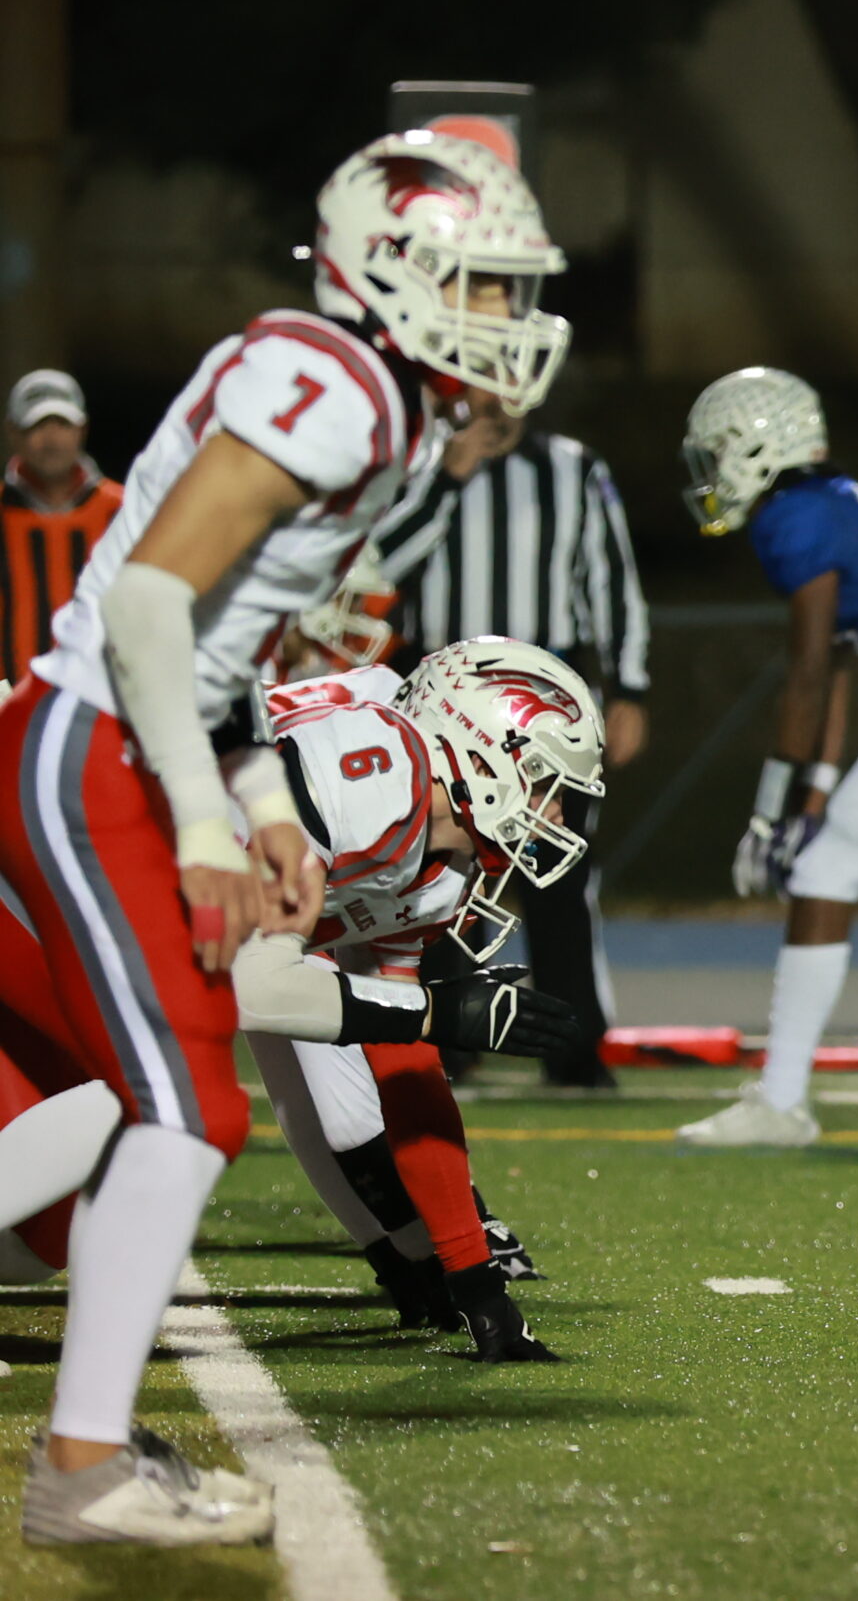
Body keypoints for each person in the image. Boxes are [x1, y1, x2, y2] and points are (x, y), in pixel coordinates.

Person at [0, 128, 566, 1546]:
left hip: (129, 738)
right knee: (183, 1106)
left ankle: (86, 1450)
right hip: (91, 741)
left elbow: (218, 650)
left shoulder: (374, 409)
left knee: (173, 1107)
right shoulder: (340, 385)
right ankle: (80, 1465)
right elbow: (141, 609)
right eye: (487, 286)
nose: (510, 319)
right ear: (405, 271)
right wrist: (202, 815)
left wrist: (255, 807)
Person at [235, 643, 602, 1362]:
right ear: (485, 753)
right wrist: (438, 1010)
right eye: (543, 782)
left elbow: (400, 1059)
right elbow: (256, 987)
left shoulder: (435, 870)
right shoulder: (373, 780)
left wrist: (476, 1284)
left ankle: (411, 1252)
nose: (556, 812)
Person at [372, 405, 650, 1088]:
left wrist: (631, 687)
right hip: (439, 697)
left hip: (543, 705)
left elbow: (612, 579)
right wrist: (447, 477)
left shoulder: (574, 467)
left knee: (555, 874)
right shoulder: (416, 463)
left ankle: (574, 1048)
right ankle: (441, 1039)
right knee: (432, 869)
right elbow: (376, 572)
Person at [2, 370, 122, 686]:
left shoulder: (124, 511)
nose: (51, 438)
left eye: (62, 424)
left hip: (101, 707)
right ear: (12, 432)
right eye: (38, 425)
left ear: (82, 429)